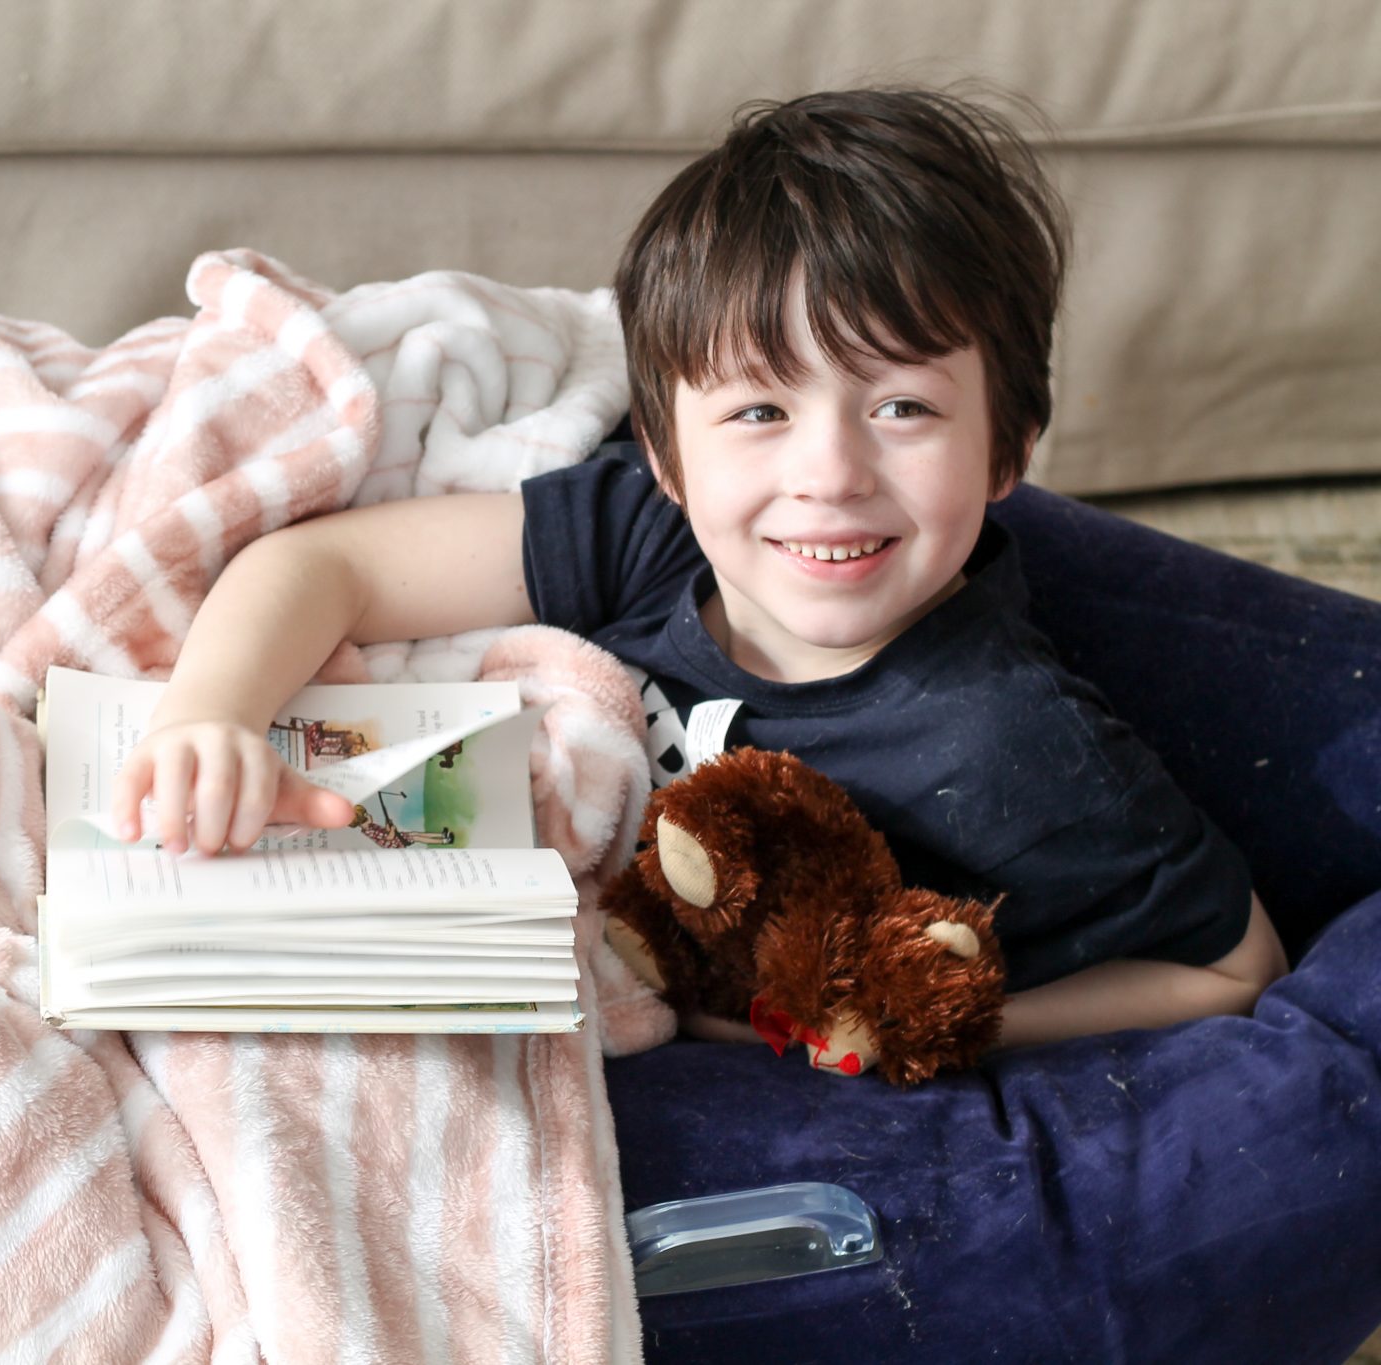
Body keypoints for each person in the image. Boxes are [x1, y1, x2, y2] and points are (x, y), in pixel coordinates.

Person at [109, 87, 1287, 1059]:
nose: (827, 474)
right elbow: (324, 563)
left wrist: (922, 1028)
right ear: (665, 455)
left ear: (1007, 452)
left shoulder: (1005, 745)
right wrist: (208, 715)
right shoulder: (652, 529)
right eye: (762, 409)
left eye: (902, 406)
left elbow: (1235, 967)